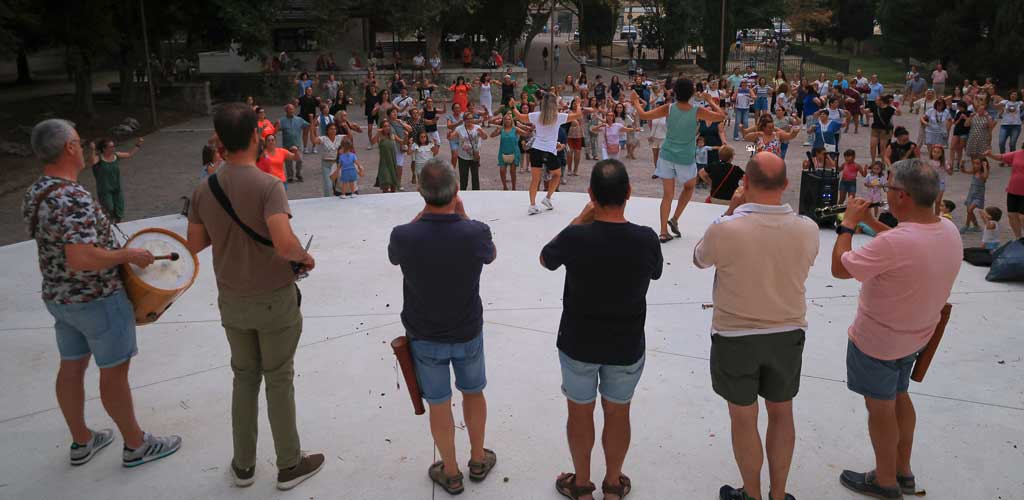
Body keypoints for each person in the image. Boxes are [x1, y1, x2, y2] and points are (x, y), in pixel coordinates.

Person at [23, 120, 181, 469]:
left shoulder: (37, 191)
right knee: (113, 372)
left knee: (71, 366)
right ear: (69, 148)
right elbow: (80, 257)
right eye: (79, 142)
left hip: (60, 298)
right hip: (97, 299)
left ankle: (82, 441)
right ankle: (136, 445)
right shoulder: (72, 196)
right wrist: (128, 255)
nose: (84, 148)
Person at [185, 104, 323, 490]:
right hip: (273, 298)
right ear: (255, 137)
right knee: (278, 379)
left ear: (220, 140)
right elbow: (283, 243)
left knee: (244, 378)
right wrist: (304, 256)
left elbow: (194, 243)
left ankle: (243, 465)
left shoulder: (205, 188)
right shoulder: (268, 186)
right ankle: (289, 464)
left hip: (232, 299)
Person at [831, 159, 962, 500]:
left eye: (888, 188)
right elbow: (904, 243)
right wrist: (872, 222)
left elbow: (840, 268)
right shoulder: (947, 229)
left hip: (877, 342)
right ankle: (903, 471)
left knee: (881, 410)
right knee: (900, 396)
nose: (885, 193)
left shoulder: (896, 243)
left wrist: (848, 226)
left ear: (902, 195)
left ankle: (885, 480)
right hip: (914, 337)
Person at [694, 152, 820, 500]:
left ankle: (752, 494)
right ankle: (778, 494)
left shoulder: (726, 228)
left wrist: (731, 210)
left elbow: (700, 258)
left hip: (735, 336)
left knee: (743, 419)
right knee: (782, 413)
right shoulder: (808, 229)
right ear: (786, 184)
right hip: (787, 333)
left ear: (745, 182)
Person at [541, 160, 663, 500]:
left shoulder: (576, 236)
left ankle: (581, 485)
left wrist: (580, 219)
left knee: (579, 412)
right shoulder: (646, 239)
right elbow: (656, 272)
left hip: (578, 343)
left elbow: (546, 258)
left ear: (591, 194)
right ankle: (612, 483)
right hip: (626, 345)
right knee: (618, 412)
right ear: (629, 192)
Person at [387, 160, 497, 495]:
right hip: (467, 331)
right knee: (473, 393)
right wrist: (462, 215)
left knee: (438, 403)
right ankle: (477, 458)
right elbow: (490, 255)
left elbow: (394, 255)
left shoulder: (404, 235)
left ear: (420, 191)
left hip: (425, 336)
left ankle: (450, 471)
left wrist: (423, 214)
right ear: (456, 190)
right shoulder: (475, 232)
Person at [632, 79, 725, 243]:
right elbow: (721, 116)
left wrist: (634, 101)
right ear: (692, 93)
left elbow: (644, 115)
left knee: (667, 195)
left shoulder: (669, 108)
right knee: (689, 187)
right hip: (685, 157)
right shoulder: (697, 110)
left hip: (667, 154)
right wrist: (710, 101)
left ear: (675, 92)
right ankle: (675, 218)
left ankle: (663, 231)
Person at [512, 93, 586, 215]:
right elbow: (578, 115)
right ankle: (547, 198)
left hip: (536, 149)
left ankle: (532, 205)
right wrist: (578, 104)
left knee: (535, 179)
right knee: (557, 174)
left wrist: (513, 107)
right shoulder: (558, 117)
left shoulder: (536, 115)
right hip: (549, 151)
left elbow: (520, 117)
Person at [92, 137, 143, 222]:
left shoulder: (116, 155)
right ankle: (108, 225)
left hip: (116, 187)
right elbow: (93, 162)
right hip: (105, 190)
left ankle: (118, 224)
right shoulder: (99, 158)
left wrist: (138, 144)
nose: (113, 148)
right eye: (111, 147)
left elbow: (129, 154)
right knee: (109, 208)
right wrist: (93, 150)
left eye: (113, 146)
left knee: (119, 209)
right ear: (104, 149)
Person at [982, 149, 1024, 239]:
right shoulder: (1018, 153)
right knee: (1011, 215)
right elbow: (1001, 157)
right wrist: (990, 155)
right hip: (1013, 190)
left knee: (1022, 216)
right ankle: (1019, 239)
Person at [448, 112, 490, 191]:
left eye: (471, 118)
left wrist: (482, 131)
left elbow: (485, 137)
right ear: (464, 120)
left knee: (475, 177)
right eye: (467, 119)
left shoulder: (477, 127)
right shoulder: (459, 129)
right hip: (463, 157)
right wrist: (449, 135)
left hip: (475, 156)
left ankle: (476, 193)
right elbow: (451, 137)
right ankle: (463, 192)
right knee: (463, 178)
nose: (469, 120)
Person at [312, 122, 344, 197]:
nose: (333, 130)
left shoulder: (339, 137)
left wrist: (346, 127)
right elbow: (314, 141)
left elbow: (350, 137)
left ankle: (337, 198)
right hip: (326, 164)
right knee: (328, 185)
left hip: (336, 163)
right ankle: (327, 200)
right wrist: (311, 129)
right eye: (331, 129)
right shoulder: (323, 138)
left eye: (335, 129)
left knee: (338, 184)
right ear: (327, 130)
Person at [277, 104, 308, 183]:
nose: (291, 111)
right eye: (289, 109)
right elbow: (276, 129)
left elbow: (307, 125)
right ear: (286, 110)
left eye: (292, 109)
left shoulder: (299, 119)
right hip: (287, 145)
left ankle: (298, 174)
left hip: (298, 144)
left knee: (300, 160)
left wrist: (313, 121)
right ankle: (290, 177)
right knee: (288, 162)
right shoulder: (282, 120)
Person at [869, 95, 900, 164]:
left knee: (882, 147)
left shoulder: (890, 109)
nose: (875, 101)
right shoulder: (875, 107)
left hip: (884, 130)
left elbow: (898, 114)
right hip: (875, 128)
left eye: (877, 100)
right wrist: (862, 110)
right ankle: (873, 161)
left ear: (881, 101)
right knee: (872, 146)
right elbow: (869, 113)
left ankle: (883, 162)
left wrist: (896, 108)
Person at [373, 120, 400, 193]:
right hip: (384, 163)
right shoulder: (380, 136)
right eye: (385, 126)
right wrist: (378, 133)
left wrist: (407, 136)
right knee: (385, 183)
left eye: (388, 126)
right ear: (382, 128)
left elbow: (402, 142)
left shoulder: (392, 135)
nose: (387, 128)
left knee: (393, 188)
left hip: (393, 162)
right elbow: (372, 142)